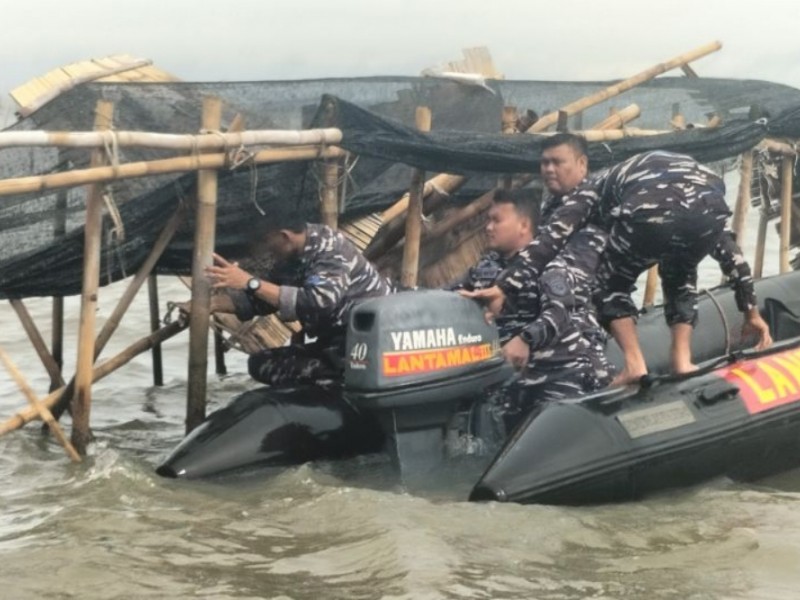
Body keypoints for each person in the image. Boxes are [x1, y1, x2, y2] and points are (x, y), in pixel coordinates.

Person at [471, 133, 772, 386]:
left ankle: (634, 364)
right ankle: (681, 359)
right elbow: (729, 251)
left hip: (651, 203)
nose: (548, 169)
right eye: (544, 163)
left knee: (609, 283)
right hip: (711, 200)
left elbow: (549, 241)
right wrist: (750, 312)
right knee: (681, 269)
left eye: (557, 162)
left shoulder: (589, 190)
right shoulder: (623, 184)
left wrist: (504, 287)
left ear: (582, 164)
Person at [458, 189, 613, 427]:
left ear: (523, 225)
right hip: (510, 381)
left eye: (496, 220)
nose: (488, 227)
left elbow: (560, 311)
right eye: (487, 220)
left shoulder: (551, 265)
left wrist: (526, 339)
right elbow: (445, 294)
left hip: (559, 376)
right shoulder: (483, 269)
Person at [205, 217, 393, 386]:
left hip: (364, 345)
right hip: (334, 342)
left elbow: (318, 302)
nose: (267, 249)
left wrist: (249, 281)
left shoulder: (330, 249)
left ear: (285, 236)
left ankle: (340, 386)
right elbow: (265, 300)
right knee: (259, 363)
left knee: (276, 369)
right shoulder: (292, 257)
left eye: (267, 242)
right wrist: (211, 304)